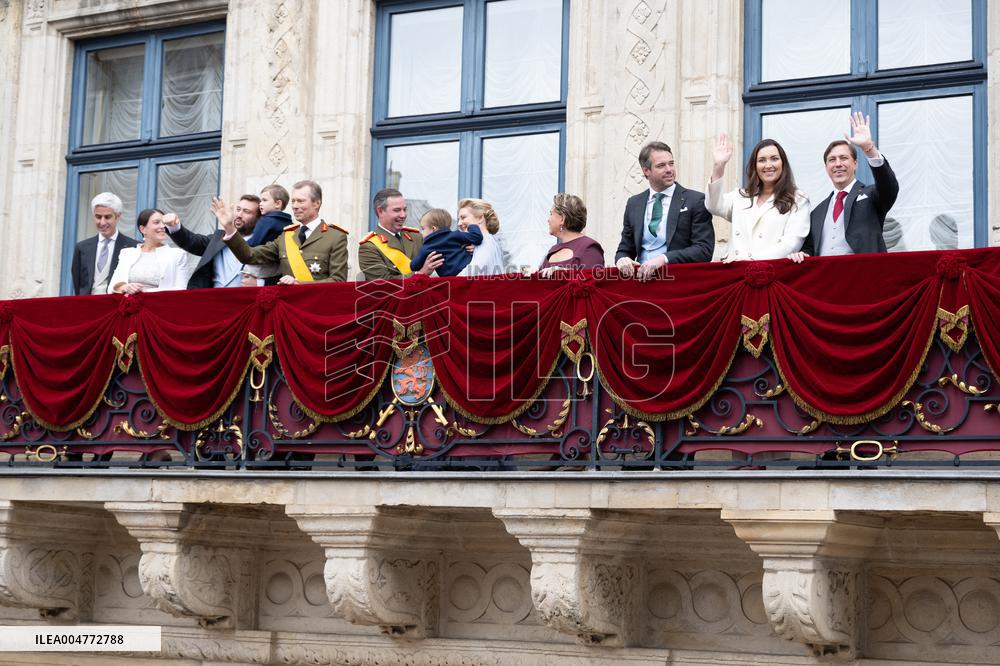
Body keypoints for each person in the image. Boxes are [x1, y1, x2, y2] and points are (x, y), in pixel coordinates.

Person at [795, 112, 900, 261]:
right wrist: (802, 254)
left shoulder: (871, 195)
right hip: (827, 281)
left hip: (863, 278)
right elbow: (810, 250)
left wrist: (869, 148)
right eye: (832, 160)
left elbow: (889, 187)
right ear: (826, 167)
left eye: (844, 158)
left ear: (855, 163)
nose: (838, 164)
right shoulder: (817, 212)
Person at [615, 141, 715, 281]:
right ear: (646, 171)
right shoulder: (634, 203)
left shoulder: (695, 200)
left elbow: (704, 250)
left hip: (678, 282)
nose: (669, 169)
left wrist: (664, 259)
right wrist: (622, 260)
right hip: (640, 283)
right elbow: (625, 248)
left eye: (671, 163)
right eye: (661, 165)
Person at [220, 180, 349, 284]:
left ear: (316, 203)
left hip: (316, 310)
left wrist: (299, 284)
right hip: (287, 309)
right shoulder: (287, 236)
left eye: (300, 201)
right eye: (293, 201)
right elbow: (250, 256)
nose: (295, 205)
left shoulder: (335, 237)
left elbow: (338, 280)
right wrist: (229, 228)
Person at [707, 134, 809, 262]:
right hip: (735, 271)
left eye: (774, 159)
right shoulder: (740, 196)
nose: (768, 165)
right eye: (762, 160)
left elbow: (791, 243)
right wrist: (719, 166)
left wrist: (749, 259)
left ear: (783, 163)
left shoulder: (798, 199)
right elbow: (713, 206)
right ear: (755, 166)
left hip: (770, 272)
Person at [166, 195, 262, 288]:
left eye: (246, 211)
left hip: (246, 301)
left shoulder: (263, 243)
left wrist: (259, 283)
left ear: (258, 218)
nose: (239, 215)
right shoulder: (218, 238)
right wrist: (174, 227)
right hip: (214, 299)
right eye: (238, 209)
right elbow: (191, 241)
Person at [359, 188, 443, 280]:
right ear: (380, 211)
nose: (403, 215)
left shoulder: (416, 237)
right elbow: (384, 284)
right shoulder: (369, 247)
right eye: (397, 210)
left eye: (404, 209)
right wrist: (421, 274)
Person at [108, 209, 195, 294]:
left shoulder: (178, 255)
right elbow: (111, 287)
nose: (162, 226)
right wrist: (126, 287)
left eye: (164, 223)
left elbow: (181, 290)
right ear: (143, 229)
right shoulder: (127, 253)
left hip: (161, 306)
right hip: (129, 306)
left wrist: (144, 292)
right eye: (156, 222)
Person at [71, 192, 136, 295]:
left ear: (118, 216)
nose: (102, 222)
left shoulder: (133, 247)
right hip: (88, 306)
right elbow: (78, 284)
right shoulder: (81, 247)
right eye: (98, 217)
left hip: (118, 306)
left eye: (107, 217)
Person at [538, 193, 605, 274]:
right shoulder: (552, 250)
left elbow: (593, 280)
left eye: (551, 214)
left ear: (562, 219)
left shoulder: (589, 247)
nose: (548, 220)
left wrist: (566, 273)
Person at [410, 208, 483, 276]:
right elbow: (477, 237)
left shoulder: (427, 247)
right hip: (469, 270)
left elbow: (414, 266)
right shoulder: (455, 235)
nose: (421, 233)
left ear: (433, 229)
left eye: (423, 229)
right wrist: (472, 225)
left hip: (450, 278)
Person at [457, 198, 505, 276]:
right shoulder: (488, 242)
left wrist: (452, 281)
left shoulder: (486, 241)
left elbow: (474, 271)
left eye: (463, 217)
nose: (459, 223)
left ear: (480, 218)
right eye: (459, 219)